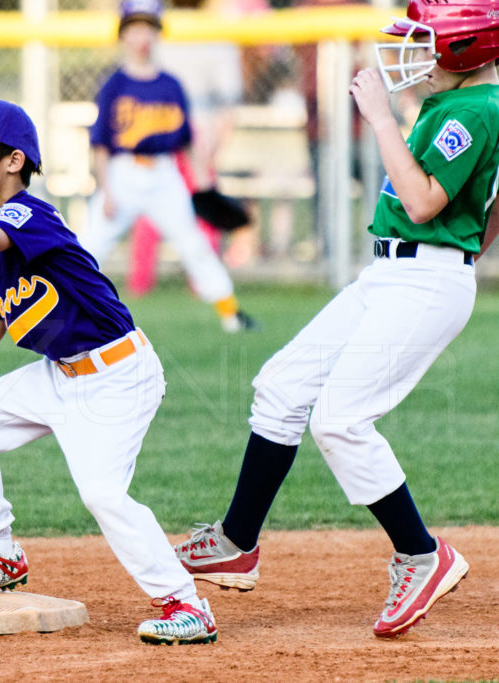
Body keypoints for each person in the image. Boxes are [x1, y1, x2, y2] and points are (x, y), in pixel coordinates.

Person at [174, 0, 499, 639]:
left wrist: (380, 119)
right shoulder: (463, 105)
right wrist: (465, 254)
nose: (416, 54)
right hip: (398, 274)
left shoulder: (473, 108)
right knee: (281, 385)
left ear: (466, 52)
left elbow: (423, 201)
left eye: (429, 44)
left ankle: (422, 555)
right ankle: (238, 541)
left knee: (341, 421)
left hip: (422, 276)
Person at [0, 99, 218, 645]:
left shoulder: (29, 216)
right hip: (59, 375)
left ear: (14, 161)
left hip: (117, 374)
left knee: (103, 494)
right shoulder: (0, 250)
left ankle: (186, 603)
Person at [80, 0, 257, 332]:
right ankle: (64, 312)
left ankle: (230, 313)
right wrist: (105, 190)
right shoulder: (114, 85)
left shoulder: (171, 85)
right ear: (123, 34)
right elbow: (101, 144)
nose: (142, 36)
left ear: (158, 32)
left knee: (194, 244)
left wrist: (203, 185)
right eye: (134, 28)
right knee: (90, 245)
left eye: (148, 27)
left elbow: (186, 142)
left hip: (164, 174)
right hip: (122, 173)